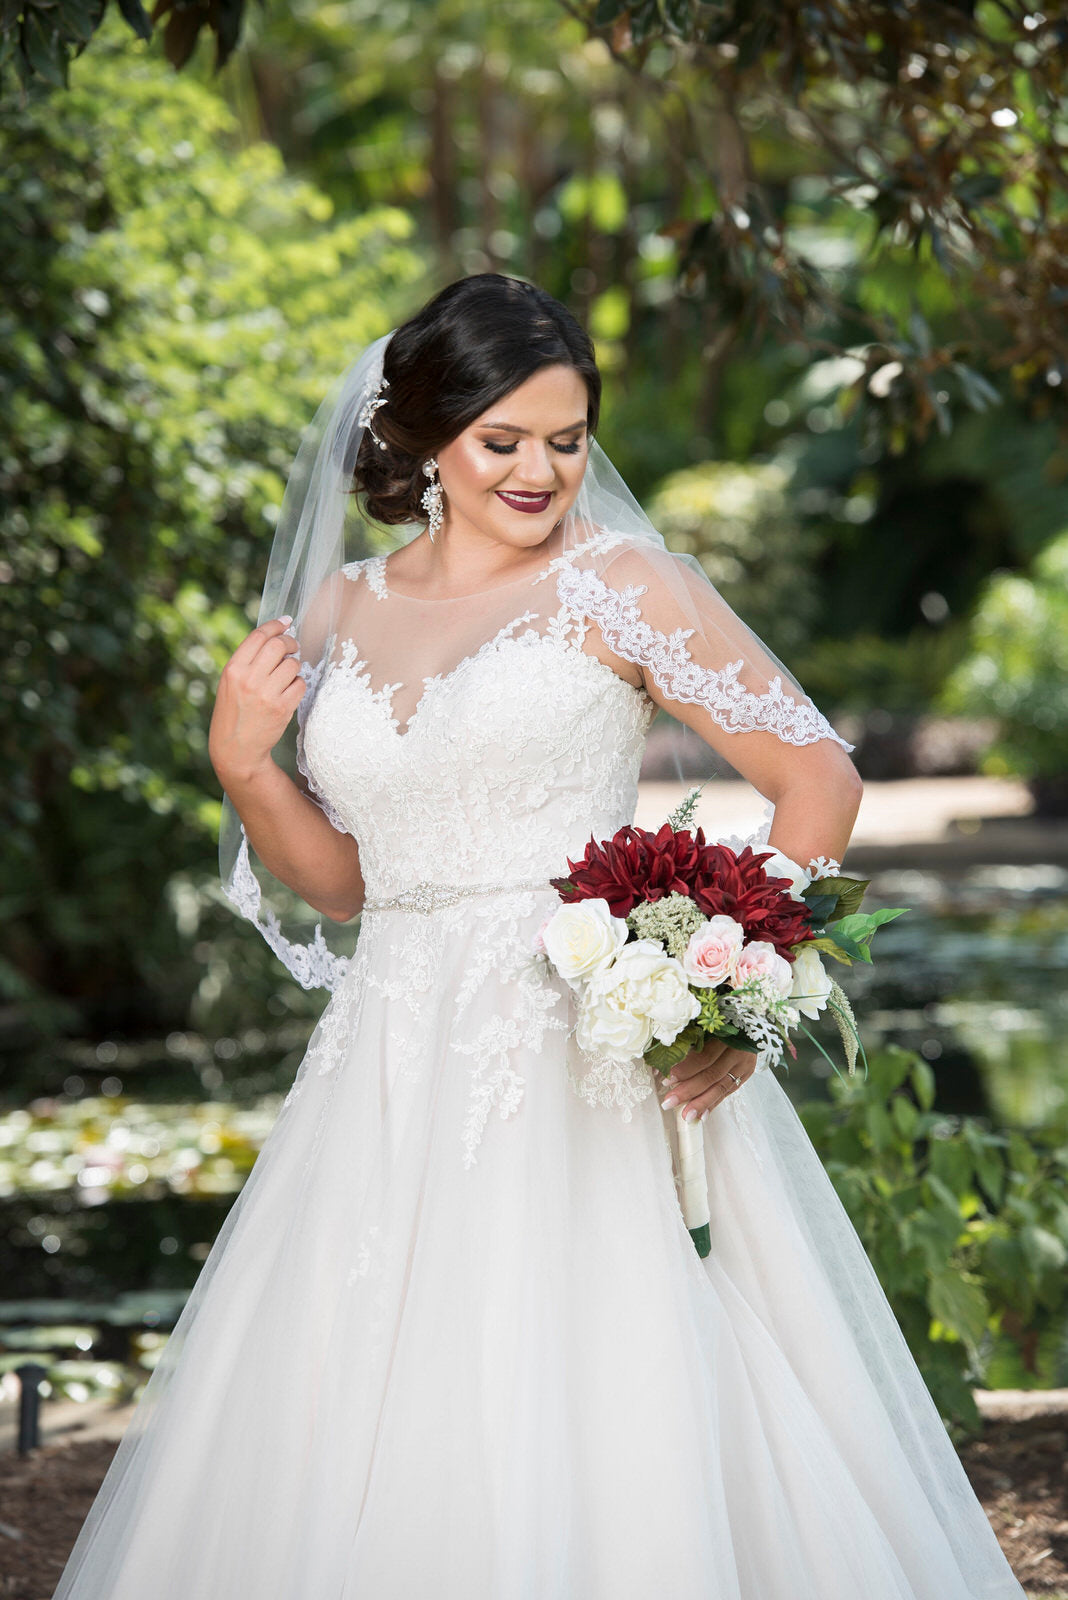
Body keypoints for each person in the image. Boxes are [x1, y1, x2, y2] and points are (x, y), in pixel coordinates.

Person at [52, 274, 1026, 1598]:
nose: (541, 471)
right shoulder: (337, 609)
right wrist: (247, 770)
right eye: (502, 440)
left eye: (566, 440)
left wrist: (737, 991)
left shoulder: (627, 589)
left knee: (611, 1394)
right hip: (388, 1068)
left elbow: (819, 783)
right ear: (424, 436)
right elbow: (346, 887)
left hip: (589, 1058)